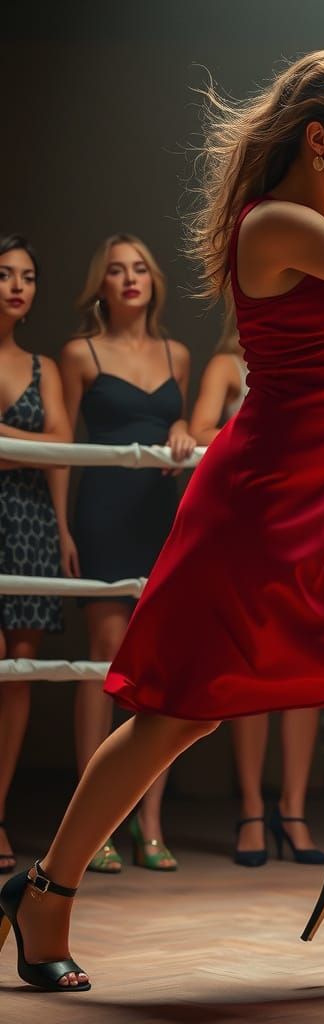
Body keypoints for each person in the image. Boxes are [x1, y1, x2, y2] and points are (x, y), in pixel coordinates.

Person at [0, 46, 324, 994]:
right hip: (254, 505)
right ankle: (44, 891)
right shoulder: (274, 225)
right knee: (174, 719)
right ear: (319, 140)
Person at [189, 308, 324, 866]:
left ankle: (294, 810)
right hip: (248, 523)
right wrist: (274, 432)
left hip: (311, 524)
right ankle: (251, 809)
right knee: (248, 671)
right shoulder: (228, 364)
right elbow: (202, 430)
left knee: (306, 670)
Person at [54, 234, 197, 873]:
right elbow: (62, 443)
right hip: (104, 514)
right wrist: (62, 527)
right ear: (101, 286)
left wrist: (180, 428)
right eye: (116, 269)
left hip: (162, 518)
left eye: (140, 267)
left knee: (160, 671)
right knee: (101, 663)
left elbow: (185, 428)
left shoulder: (178, 353)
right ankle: (96, 827)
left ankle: (152, 823)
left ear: (153, 281)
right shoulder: (79, 353)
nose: (130, 278)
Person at [0, 235, 74, 875]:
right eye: (4, 274)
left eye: (27, 276)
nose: (17, 286)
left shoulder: (42, 367)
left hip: (28, 518)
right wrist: (31, 444)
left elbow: (59, 443)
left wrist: (63, 525)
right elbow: (43, 440)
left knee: (21, 666)